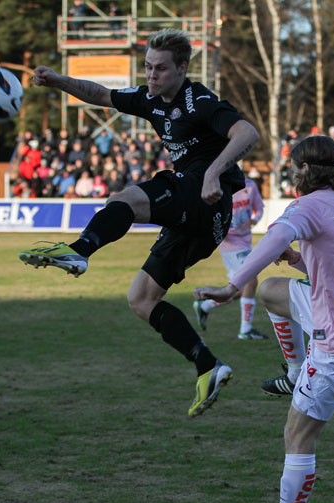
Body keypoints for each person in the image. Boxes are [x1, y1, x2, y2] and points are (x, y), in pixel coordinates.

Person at [18, 28, 260, 417]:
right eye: (147, 67)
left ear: (182, 68)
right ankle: (208, 365)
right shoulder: (150, 99)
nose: (151, 76)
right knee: (141, 299)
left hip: (202, 195)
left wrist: (215, 172)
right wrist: (58, 80)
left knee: (127, 198)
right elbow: (101, 95)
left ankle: (79, 252)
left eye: (161, 69)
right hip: (204, 223)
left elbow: (247, 131)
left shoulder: (197, 99)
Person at [194, 135, 334, 503]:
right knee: (271, 291)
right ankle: (296, 370)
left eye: (293, 166)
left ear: (303, 170)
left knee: (297, 435)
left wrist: (232, 287)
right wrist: (301, 260)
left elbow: (276, 236)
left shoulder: (307, 206)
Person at [193, 177, 268, 340]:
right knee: (251, 280)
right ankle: (245, 330)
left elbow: (259, 208)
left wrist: (254, 220)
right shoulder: (220, 187)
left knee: (241, 290)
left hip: (246, 242)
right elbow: (210, 214)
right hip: (229, 245)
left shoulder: (250, 185)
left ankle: (206, 304)